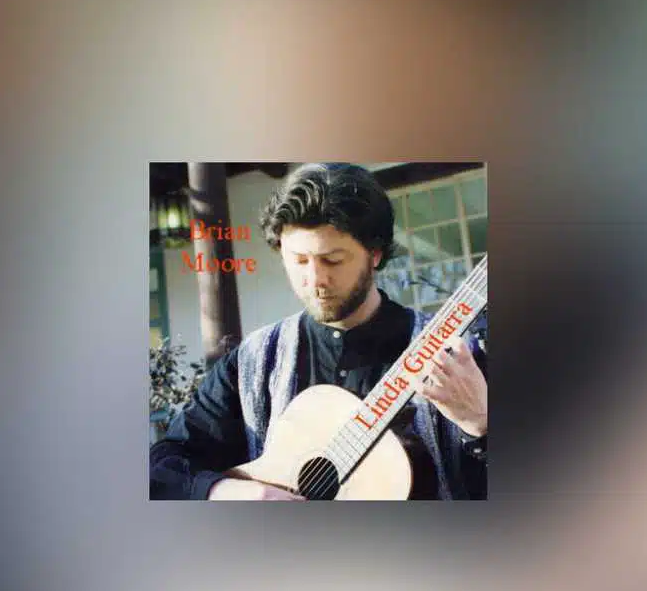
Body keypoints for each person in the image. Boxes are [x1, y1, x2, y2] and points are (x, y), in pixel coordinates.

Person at [150, 163, 488, 500]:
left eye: (333, 260)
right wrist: (230, 492)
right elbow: (163, 467)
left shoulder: (456, 356)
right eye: (299, 260)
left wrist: (481, 424)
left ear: (375, 254)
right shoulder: (252, 363)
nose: (315, 280)